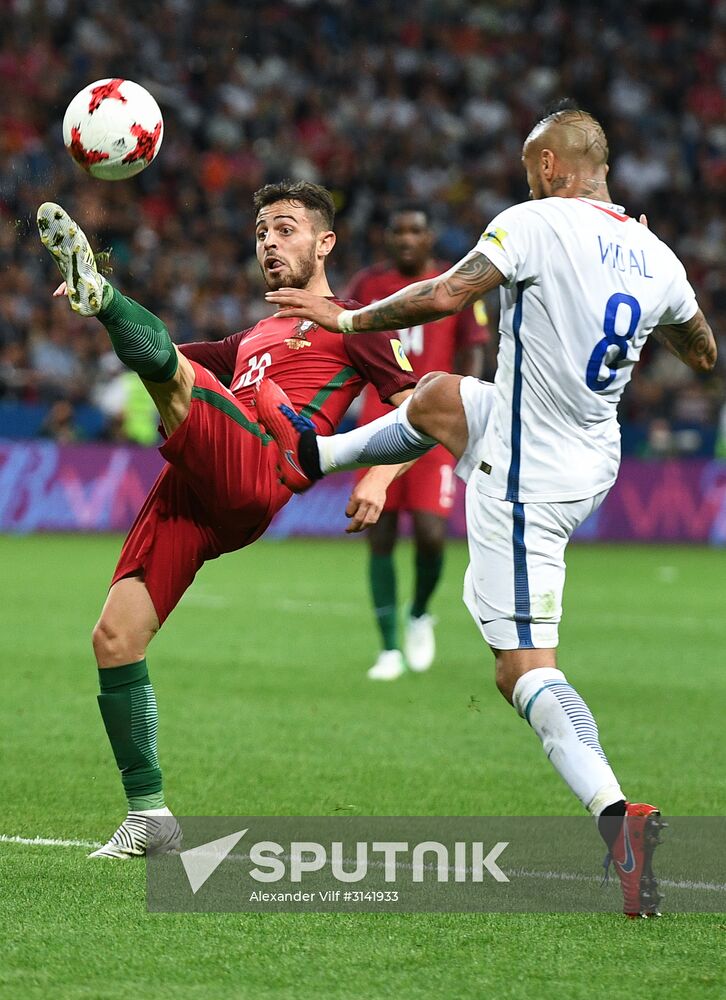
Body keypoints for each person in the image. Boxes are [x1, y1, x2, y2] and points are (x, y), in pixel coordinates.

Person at [256, 104, 717, 917]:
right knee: (439, 397)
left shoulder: (534, 222)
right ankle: (313, 456)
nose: (524, 178)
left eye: (528, 165)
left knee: (522, 671)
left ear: (549, 166)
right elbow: (704, 352)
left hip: (528, 472)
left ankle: (619, 818)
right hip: (585, 452)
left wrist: (348, 317)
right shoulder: (657, 255)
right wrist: (645, 285)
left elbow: (447, 293)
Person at [37, 181, 416, 859]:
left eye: (287, 229)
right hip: (197, 481)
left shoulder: (355, 324)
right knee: (115, 639)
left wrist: (380, 476)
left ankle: (106, 293)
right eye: (263, 231)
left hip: (258, 465)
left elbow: (418, 403)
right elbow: (165, 356)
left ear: (325, 243)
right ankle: (149, 816)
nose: (269, 241)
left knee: (182, 380)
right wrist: (105, 318)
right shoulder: (251, 337)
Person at [346, 204, 488, 680]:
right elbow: (343, 340)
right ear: (388, 237)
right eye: (399, 230)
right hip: (380, 424)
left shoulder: (454, 282)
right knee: (380, 534)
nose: (407, 238)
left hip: (435, 427)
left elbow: (474, 345)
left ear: (430, 238)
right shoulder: (368, 284)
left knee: (430, 534)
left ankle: (420, 612)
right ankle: (388, 649)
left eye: (416, 231)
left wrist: (467, 403)